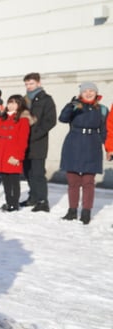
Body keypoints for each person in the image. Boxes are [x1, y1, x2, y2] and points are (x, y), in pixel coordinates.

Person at [58, 82, 108, 225]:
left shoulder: (102, 109)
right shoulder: (75, 106)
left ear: (96, 93)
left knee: (88, 182)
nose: (88, 93)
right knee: (73, 181)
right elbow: (62, 118)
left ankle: (86, 212)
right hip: (73, 144)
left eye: (91, 91)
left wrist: (108, 149)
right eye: (85, 91)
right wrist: (70, 105)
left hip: (92, 145)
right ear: (81, 93)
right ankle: (72, 210)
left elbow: (104, 130)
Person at [19, 73, 57, 212]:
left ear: (38, 83)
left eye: (31, 83)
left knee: (38, 173)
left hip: (38, 142)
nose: (29, 86)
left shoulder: (46, 99)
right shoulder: (23, 100)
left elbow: (50, 121)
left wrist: (35, 134)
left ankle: (42, 201)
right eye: (27, 84)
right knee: (27, 171)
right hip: (24, 142)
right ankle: (33, 197)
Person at [0, 95, 31, 212]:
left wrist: (18, 157)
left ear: (20, 105)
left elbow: (23, 140)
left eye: (14, 103)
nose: (11, 105)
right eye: (9, 102)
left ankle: (14, 204)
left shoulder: (23, 119)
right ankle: (8, 202)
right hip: (1, 152)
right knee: (5, 180)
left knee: (14, 180)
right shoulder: (3, 117)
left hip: (13, 153)